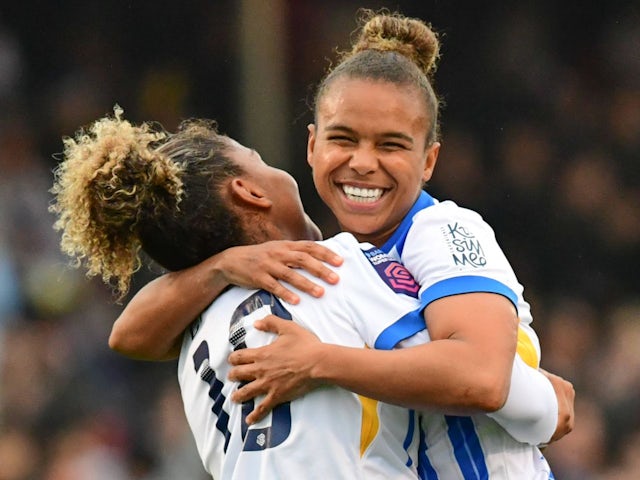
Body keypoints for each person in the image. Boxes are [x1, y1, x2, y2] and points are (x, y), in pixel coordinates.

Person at [106, 9, 574, 477]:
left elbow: (481, 377)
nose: (364, 163)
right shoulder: (330, 271)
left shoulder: (444, 230)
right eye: (343, 139)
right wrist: (545, 401)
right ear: (312, 146)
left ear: (429, 160)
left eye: (390, 145)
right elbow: (510, 391)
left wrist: (318, 360)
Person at [50, 109, 428, 478]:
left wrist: (220, 266)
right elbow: (473, 376)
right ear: (248, 190)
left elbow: (125, 335)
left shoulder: (192, 328)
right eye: (258, 159)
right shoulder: (333, 269)